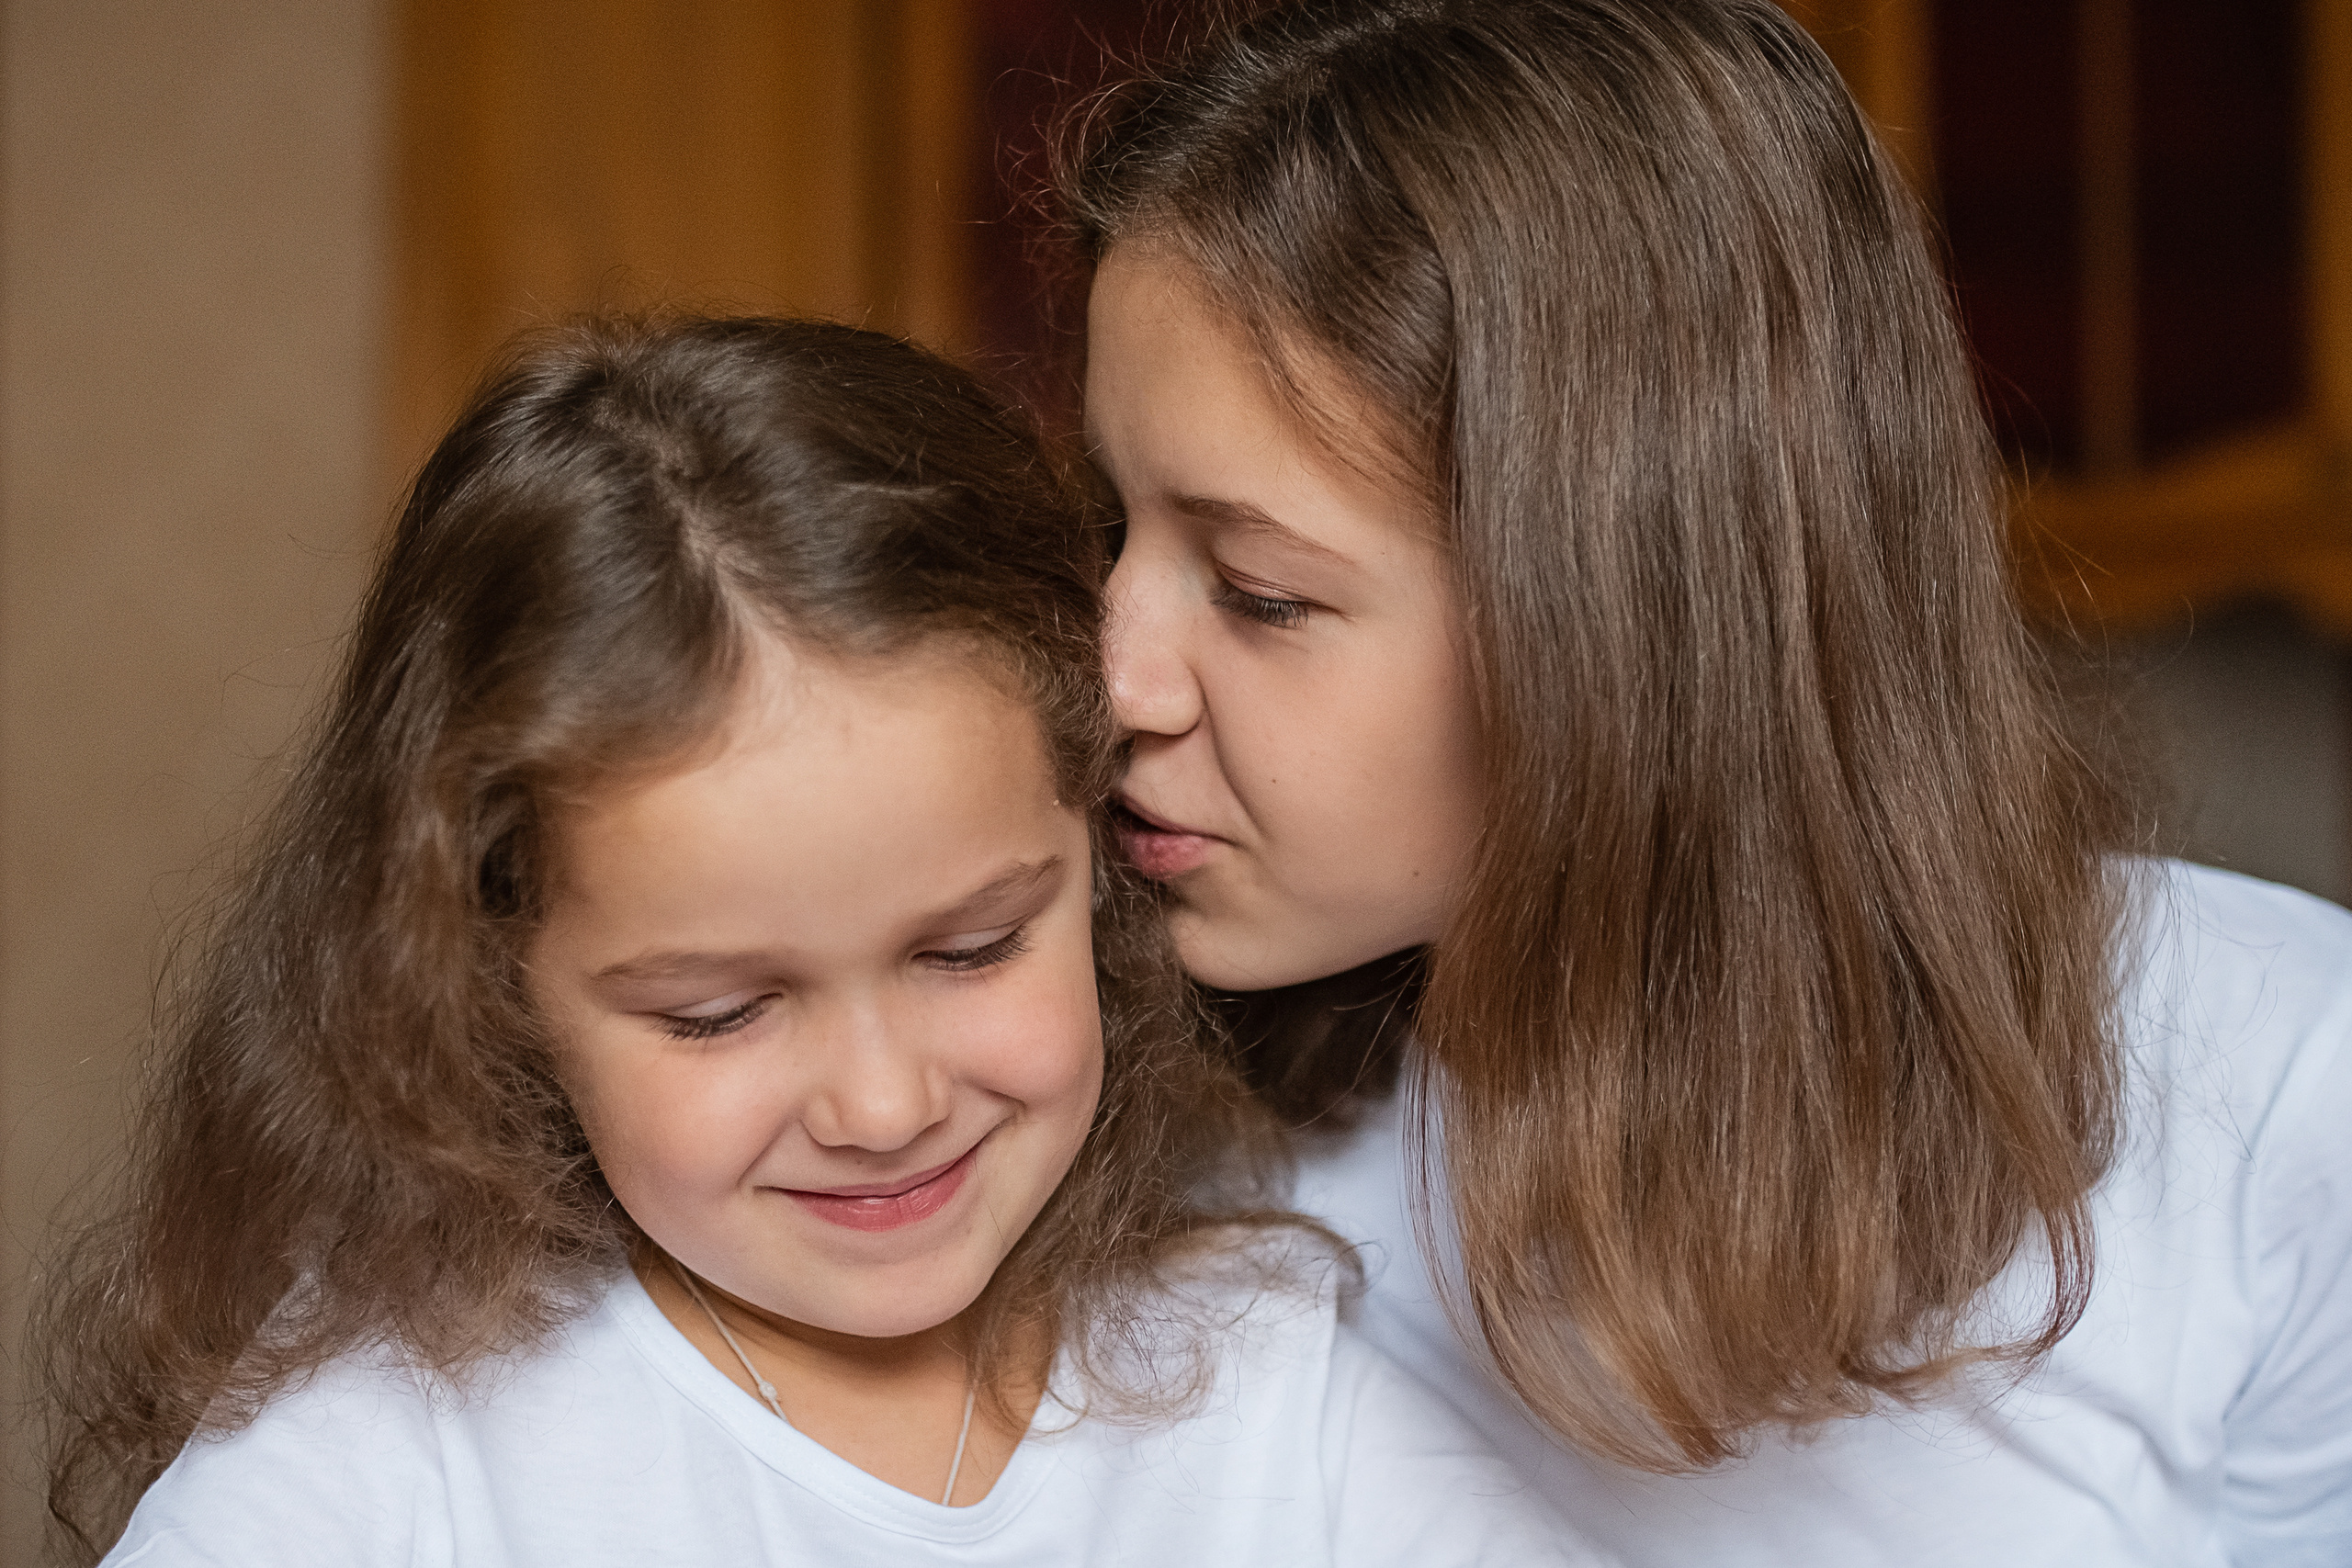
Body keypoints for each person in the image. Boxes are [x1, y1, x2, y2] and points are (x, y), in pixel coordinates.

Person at [1061, 1, 2352, 1563]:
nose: (1110, 680)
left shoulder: (2283, 1071)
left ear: (1639, 619)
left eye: (1262, 592)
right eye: (1111, 529)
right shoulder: (1069, 1132)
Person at [39, 316, 1574, 1567]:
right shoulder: (390, 1442)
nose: (884, 1108)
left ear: (1094, 868)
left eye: (970, 951)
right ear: (485, 990)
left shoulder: (1261, 1382)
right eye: (719, 1014)